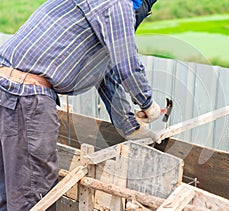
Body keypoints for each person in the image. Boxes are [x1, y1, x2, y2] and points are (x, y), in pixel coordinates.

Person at [0, 0, 158, 210]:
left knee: (6, 192)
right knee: (34, 198)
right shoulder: (119, 4)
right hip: (25, 97)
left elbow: (108, 74)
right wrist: (147, 103)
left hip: (5, 87)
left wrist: (131, 128)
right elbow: (126, 65)